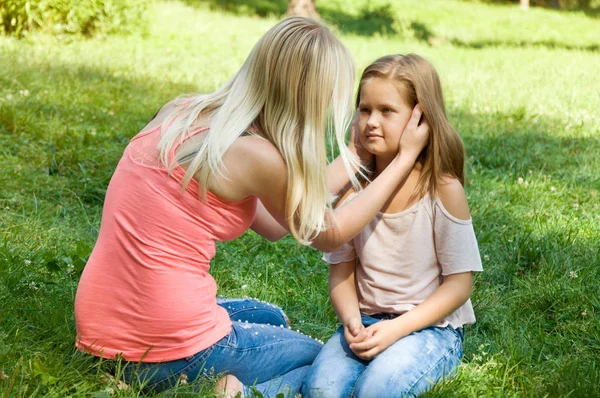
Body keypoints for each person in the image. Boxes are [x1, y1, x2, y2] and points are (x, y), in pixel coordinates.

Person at [74, 18, 429, 397]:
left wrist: (356, 154)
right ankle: (226, 391)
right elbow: (328, 234)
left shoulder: (184, 112)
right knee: (318, 360)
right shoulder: (258, 155)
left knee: (271, 318)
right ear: (308, 96)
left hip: (100, 330)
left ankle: (127, 374)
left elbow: (279, 222)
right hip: (164, 345)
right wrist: (405, 158)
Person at [302, 54, 484, 398]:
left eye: (387, 111)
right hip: (365, 322)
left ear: (421, 119)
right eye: (365, 109)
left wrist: (397, 329)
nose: (371, 121)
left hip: (428, 329)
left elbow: (459, 284)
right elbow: (341, 274)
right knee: (320, 391)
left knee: (377, 390)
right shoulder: (352, 192)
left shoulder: (442, 189)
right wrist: (351, 321)